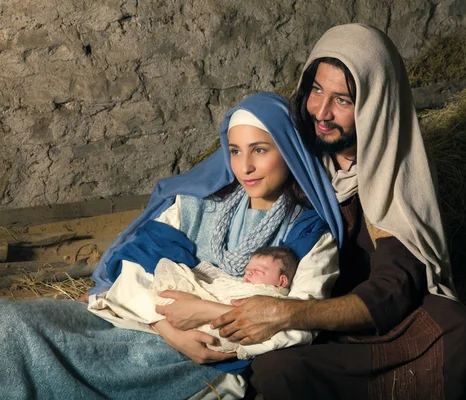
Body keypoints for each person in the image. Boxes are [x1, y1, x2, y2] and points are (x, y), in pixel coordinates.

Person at [206, 24, 466, 399]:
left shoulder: (389, 177)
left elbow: (393, 290)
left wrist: (287, 314)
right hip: (294, 294)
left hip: (355, 313)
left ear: (374, 106)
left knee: (454, 329)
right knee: (272, 368)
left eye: (343, 100)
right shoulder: (295, 145)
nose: (322, 112)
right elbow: (204, 189)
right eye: (316, 90)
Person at [0, 92, 344, 400]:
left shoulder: (306, 232)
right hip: (139, 319)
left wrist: (197, 317)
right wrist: (163, 326)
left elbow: (300, 317)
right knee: (10, 322)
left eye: (260, 150)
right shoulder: (198, 206)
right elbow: (137, 268)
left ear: (287, 149)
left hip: (191, 358)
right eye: (236, 151)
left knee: (45, 354)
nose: (245, 167)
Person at [88, 246, 301, 359]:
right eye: (248, 271)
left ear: (281, 280)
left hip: (216, 332)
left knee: (146, 282)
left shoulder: (274, 299)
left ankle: (130, 304)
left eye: (259, 272)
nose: (249, 275)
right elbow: (221, 283)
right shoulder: (239, 282)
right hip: (184, 318)